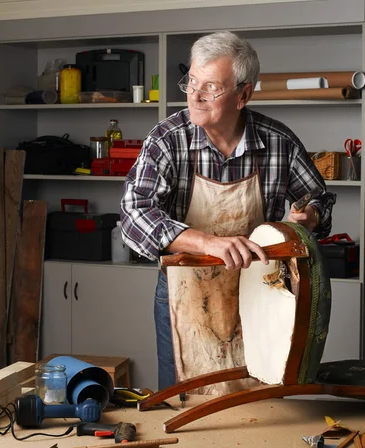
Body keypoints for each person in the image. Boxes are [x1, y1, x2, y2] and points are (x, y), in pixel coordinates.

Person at [120, 30, 336, 391]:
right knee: (185, 401)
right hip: (184, 293)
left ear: (244, 95)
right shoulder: (168, 139)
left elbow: (320, 199)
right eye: (190, 82)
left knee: (259, 401)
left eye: (210, 87)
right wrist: (208, 243)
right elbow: (134, 214)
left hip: (260, 292)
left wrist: (309, 216)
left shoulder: (278, 143)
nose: (195, 95)